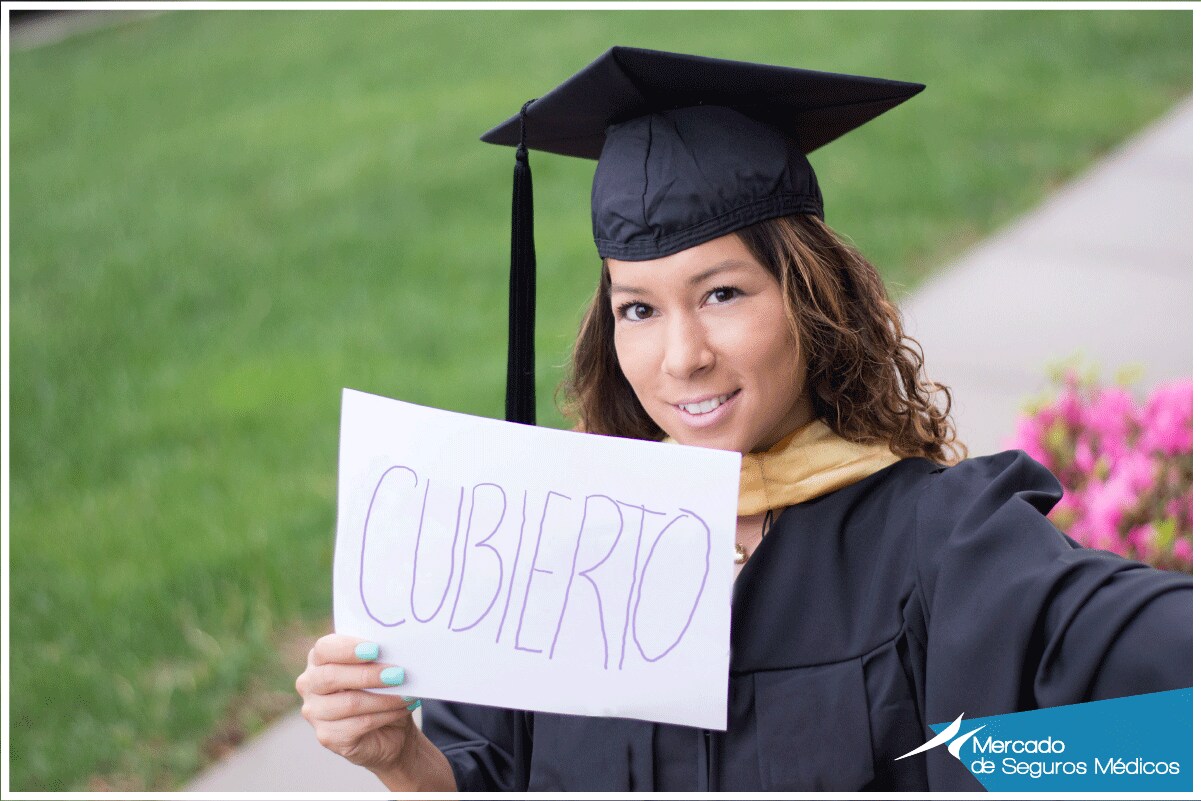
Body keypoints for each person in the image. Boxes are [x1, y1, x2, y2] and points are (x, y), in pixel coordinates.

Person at [294, 47, 1192, 791]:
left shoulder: (937, 540)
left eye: (721, 293)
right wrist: (400, 757)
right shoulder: (551, 551)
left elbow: (1144, 692)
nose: (681, 356)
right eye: (638, 308)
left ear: (811, 298)